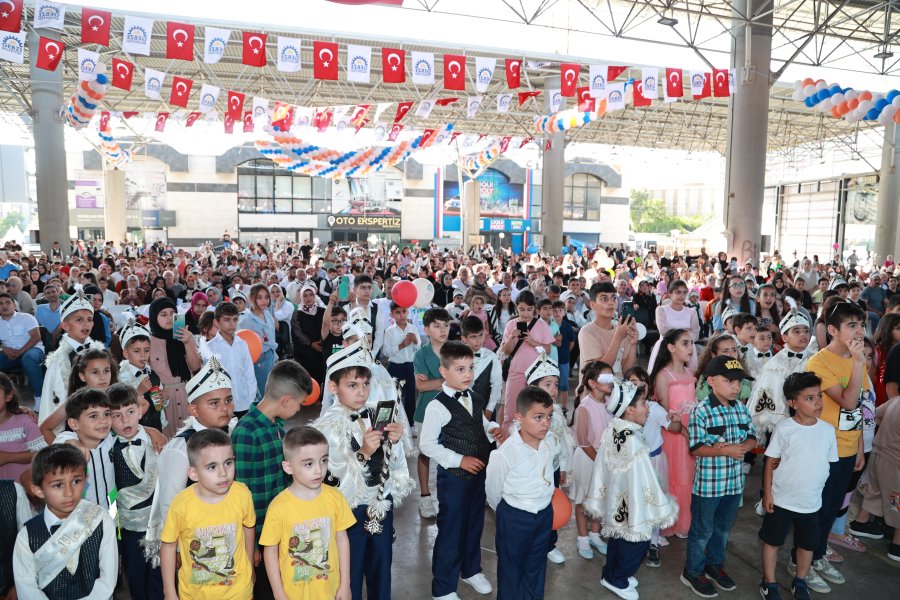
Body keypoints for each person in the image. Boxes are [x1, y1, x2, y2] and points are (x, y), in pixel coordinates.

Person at [313, 339, 412, 600]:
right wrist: (363, 453)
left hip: (380, 505)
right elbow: (330, 482)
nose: (362, 392)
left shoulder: (376, 414)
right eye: (352, 385)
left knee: (381, 569)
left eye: (366, 384)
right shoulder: (327, 429)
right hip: (350, 514)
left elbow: (394, 467)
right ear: (333, 387)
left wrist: (395, 442)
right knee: (350, 573)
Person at [419, 341, 505, 600]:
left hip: (478, 475)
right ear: (444, 372)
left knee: (474, 523)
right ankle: (443, 587)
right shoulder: (437, 406)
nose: (467, 374)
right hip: (454, 478)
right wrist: (458, 460)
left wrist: (493, 429)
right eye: (460, 369)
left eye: (470, 368)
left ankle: (470, 569)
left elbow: (480, 421)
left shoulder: (474, 397)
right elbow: (426, 445)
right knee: (451, 530)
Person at [584, 380, 679, 600]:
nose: (647, 408)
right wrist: (656, 502)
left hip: (618, 499)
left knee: (618, 535)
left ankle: (611, 573)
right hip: (632, 502)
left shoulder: (615, 429)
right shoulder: (633, 439)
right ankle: (617, 578)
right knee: (636, 541)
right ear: (629, 409)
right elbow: (643, 477)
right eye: (644, 403)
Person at [143, 356, 237, 567]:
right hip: (195, 537)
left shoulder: (232, 432)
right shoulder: (180, 449)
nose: (224, 408)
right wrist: (175, 548)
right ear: (193, 410)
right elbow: (170, 503)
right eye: (214, 403)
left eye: (228, 400)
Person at [232, 360, 312, 600]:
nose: (299, 410)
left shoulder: (277, 426)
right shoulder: (246, 432)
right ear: (286, 400)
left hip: (280, 531)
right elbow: (243, 494)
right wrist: (253, 545)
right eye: (299, 404)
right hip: (258, 536)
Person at [681, 356, 757, 599]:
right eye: (730, 381)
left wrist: (744, 446)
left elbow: (752, 437)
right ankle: (692, 570)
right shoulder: (701, 412)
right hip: (708, 488)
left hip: (734, 484)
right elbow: (695, 448)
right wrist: (726, 449)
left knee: (723, 529)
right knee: (702, 530)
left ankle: (714, 565)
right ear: (711, 381)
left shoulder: (742, 409)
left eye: (739, 382)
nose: (736, 387)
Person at [758, 372, 839, 600]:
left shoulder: (827, 431)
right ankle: (769, 582)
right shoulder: (784, 429)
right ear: (793, 403)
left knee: (807, 545)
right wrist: (767, 494)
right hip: (782, 500)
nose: (818, 403)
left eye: (819, 396)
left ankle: (800, 580)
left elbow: (829, 465)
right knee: (772, 541)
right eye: (809, 398)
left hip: (811, 503)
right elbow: (769, 462)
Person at [259, 426, 355, 600]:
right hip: (293, 593)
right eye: (309, 463)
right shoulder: (278, 507)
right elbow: (270, 551)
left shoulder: (336, 498)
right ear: (288, 467)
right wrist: (278, 592)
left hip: (331, 590)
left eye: (324, 460)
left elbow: (342, 540)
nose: (319, 470)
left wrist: (345, 584)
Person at [159, 429, 256, 599]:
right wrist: (169, 591)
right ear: (194, 473)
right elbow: (168, 546)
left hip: (238, 591)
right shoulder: (181, 504)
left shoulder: (242, 494)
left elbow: (248, 527)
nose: (223, 473)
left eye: (228, 463)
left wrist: (249, 567)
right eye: (212, 467)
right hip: (195, 594)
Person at [13, 444, 118, 599]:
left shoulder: (100, 519)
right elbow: (27, 588)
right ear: (38, 490)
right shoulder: (27, 536)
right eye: (58, 485)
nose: (69, 493)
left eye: (76, 481)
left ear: (85, 479)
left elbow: (107, 579)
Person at [485, 386, 558, 599]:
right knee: (511, 569)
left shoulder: (549, 443)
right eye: (538, 417)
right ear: (519, 417)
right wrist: (506, 512)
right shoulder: (506, 454)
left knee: (536, 565)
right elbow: (493, 490)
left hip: (544, 514)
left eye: (549, 416)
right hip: (515, 516)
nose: (546, 423)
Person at [106, 383, 163, 600]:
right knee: (136, 578)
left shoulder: (156, 440)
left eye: (130, 412)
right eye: (116, 415)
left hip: (158, 523)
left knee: (159, 578)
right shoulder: (107, 447)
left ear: (140, 410)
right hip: (128, 528)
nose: (125, 420)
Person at [520, 349, 575, 564]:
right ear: (533, 387)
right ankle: (533, 543)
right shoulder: (526, 415)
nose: (553, 389)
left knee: (551, 506)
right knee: (534, 507)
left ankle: (549, 544)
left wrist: (562, 467)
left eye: (555, 383)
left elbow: (563, 442)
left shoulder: (557, 410)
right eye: (547, 384)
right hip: (533, 470)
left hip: (552, 468)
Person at [650, 328, 697, 539]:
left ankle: (682, 521)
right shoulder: (663, 376)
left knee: (688, 477)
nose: (691, 348)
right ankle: (667, 524)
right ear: (671, 348)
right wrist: (684, 432)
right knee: (673, 477)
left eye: (691, 343)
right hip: (674, 437)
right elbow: (665, 415)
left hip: (689, 433)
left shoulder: (689, 373)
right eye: (685, 343)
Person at [569, 360, 615, 559]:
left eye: (612, 377)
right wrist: (600, 461)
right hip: (588, 459)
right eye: (605, 378)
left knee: (600, 498)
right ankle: (583, 538)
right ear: (592, 383)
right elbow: (583, 440)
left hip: (605, 459)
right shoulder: (585, 407)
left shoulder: (611, 404)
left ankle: (595, 535)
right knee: (583, 500)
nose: (611, 382)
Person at [848, 394, 900, 562]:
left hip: (878, 454)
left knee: (875, 491)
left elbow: (875, 415)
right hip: (894, 462)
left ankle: (861, 523)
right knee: (897, 500)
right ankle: (897, 545)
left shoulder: (896, 400)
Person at [746, 310, 812, 435]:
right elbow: (770, 393)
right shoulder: (775, 364)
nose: (803, 334)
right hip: (783, 421)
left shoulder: (815, 359)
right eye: (797, 331)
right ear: (784, 337)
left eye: (806, 330)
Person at [413, 307, 450, 519]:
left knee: (450, 453)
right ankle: (425, 497)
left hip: (451, 411)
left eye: (445, 325)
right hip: (425, 412)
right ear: (427, 329)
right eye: (436, 326)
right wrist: (448, 381)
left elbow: (464, 381)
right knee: (425, 453)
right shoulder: (421, 354)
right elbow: (421, 386)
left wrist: (434, 382)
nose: (442, 329)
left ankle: (446, 495)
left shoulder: (454, 350)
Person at [499, 290, 554, 432]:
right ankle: (506, 445)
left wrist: (534, 342)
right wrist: (512, 337)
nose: (525, 313)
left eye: (529, 310)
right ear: (516, 307)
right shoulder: (511, 324)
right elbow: (506, 351)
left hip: (536, 375)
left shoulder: (541, 325)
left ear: (534, 309)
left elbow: (548, 349)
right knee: (510, 412)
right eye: (522, 309)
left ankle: (532, 441)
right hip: (515, 372)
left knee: (536, 411)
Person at [148, 296, 202, 436]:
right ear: (154, 317)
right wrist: (157, 401)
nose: (169, 318)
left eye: (172, 314)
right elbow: (146, 376)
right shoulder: (148, 342)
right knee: (166, 441)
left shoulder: (184, 336)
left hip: (186, 396)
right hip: (163, 401)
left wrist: (188, 342)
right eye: (163, 314)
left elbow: (195, 367)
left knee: (190, 439)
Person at [203, 302, 258, 419]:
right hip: (223, 406)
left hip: (245, 403)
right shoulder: (210, 347)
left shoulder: (242, 344)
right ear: (217, 322)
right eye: (227, 320)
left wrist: (251, 401)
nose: (232, 324)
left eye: (235, 319)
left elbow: (249, 374)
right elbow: (210, 380)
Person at [579, 282, 638, 376]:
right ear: (593, 305)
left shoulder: (621, 329)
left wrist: (633, 344)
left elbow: (628, 371)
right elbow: (599, 372)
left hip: (619, 389)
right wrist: (618, 337)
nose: (611, 302)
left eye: (614, 298)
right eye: (604, 299)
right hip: (595, 389)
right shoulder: (587, 331)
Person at [117, 318, 165, 431]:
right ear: (126, 353)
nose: (143, 355)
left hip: (156, 424)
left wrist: (163, 398)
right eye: (137, 351)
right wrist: (138, 392)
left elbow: (160, 403)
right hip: (135, 429)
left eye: (146, 350)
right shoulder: (122, 377)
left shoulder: (152, 373)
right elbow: (120, 405)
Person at [0, 291, 45, 407]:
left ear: (14, 305)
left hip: (32, 349)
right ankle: (4, 399)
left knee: (29, 358)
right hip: (8, 353)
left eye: (7, 303)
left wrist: (20, 351)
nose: (4, 306)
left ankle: (39, 398)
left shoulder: (26, 317)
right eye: (0, 303)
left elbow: (36, 337)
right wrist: (3, 349)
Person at [0, 372, 45, 481]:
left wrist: (7, 457)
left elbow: (41, 455)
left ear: (8, 396)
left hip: (24, 490)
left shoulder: (25, 421)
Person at [382, 302, 421, 425]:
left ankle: (410, 423)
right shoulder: (389, 331)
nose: (401, 315)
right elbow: (386, 352)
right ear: (392, 314)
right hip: (395, 366)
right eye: (398, 312)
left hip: (410, 366)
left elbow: (418, 348)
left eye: (404, 311)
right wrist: (401, 345)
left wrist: (415, 341)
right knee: (394, 395)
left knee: (410, 396)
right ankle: (393, 422)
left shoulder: (413, 328)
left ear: (407, 312)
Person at [648, 280, 699, 372]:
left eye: (684, 292)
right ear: (670, 293)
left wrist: (685, 343)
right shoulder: (661, 310)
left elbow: (695, 333)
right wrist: (684, 336)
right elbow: (664, 331)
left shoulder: (692, 312)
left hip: (687, 348)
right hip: (667, 347)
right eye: (678, 292)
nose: (682, 295)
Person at [460, 316, 503, 421]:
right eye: (473, 337)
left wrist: (489, 410)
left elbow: (496, 385)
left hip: (486, 409)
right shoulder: (457, 357)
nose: (479, 340)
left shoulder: (491, 356)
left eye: (481, 335)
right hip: (461, 409)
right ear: (464, 338)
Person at [240, 284, 278, 401]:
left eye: (266, 297)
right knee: (263, 394)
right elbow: (241, 341)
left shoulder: (267, 313)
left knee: (271, 390)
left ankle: (270, 417)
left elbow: (271, 338)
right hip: (259, 360)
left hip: (271, 355)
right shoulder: (246, 319)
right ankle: (264, 418)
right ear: (251, 298)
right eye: (259, 297)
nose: (264, 301)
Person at [292, 282, 327, 384]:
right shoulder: (298, 314)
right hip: (305, 352)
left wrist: (323, 341)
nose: (308, 298)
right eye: (305, 295)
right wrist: (311, 344)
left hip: (322, 349)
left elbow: (327, 326)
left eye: (311, 295)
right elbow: (297, 332)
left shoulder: (322, 311)